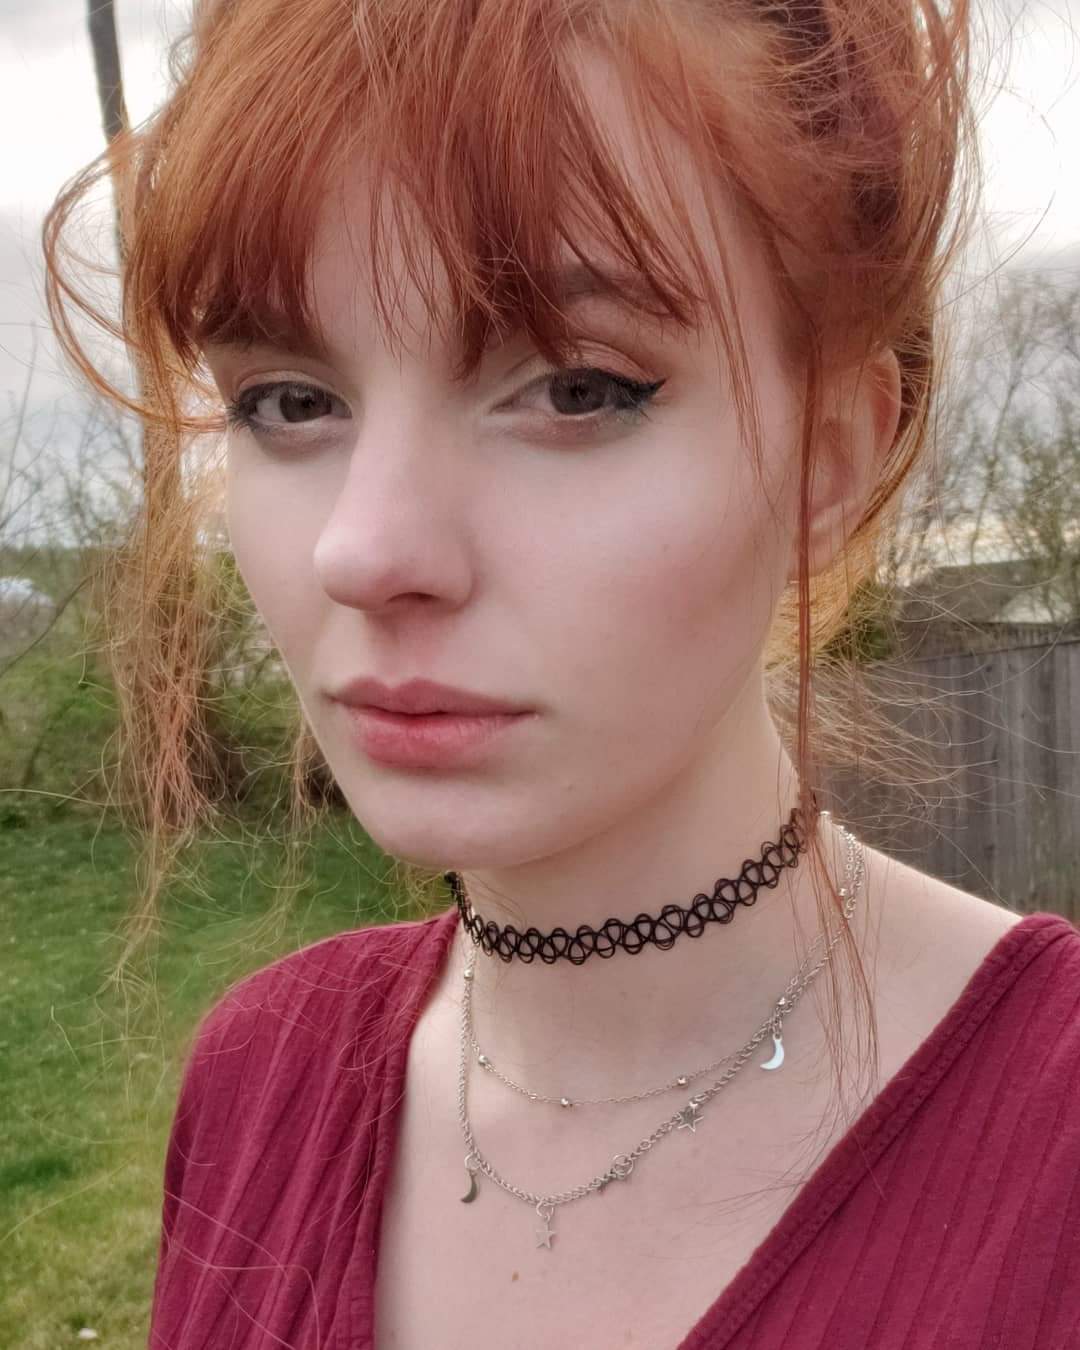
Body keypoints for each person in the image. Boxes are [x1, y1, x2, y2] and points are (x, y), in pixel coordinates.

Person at [42, 0, 1080, 1346]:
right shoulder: (256, 1079)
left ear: (827, 463)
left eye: (577, 387)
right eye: (289, 400)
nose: (367, 549)